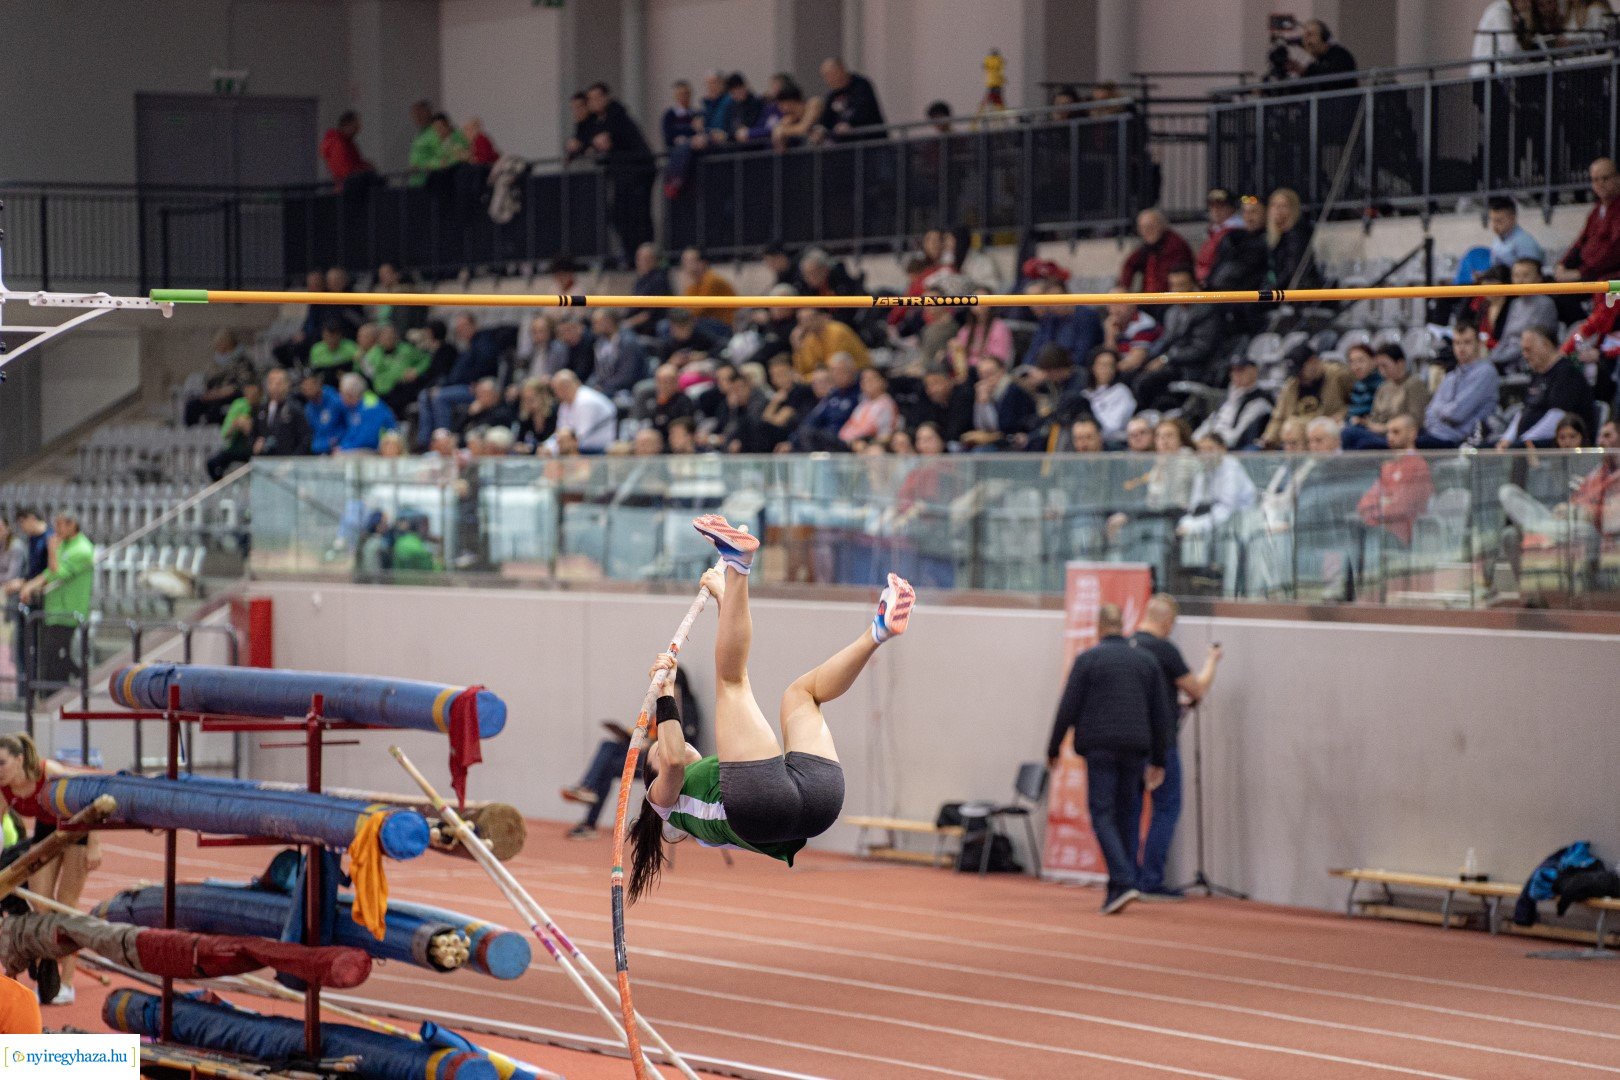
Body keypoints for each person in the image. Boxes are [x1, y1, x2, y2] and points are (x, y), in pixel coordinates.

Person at [626, 517, 914, 901]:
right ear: (653, 773)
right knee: (732, 682)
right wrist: (666, 692)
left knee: (802, 695)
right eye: (656, 748)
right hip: (763, 806)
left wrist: (724, 599)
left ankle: (876, 632)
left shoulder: (706, 790)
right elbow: (675, 757)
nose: (669, 745)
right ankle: (739, 564)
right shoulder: (663, 803)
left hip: (815, 805)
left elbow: (679, 751)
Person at [1045, 604, 1173, 915]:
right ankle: (1118, 888)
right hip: (1136, 748)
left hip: (1100, 748)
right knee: (1128, 815)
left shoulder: (1089, 660)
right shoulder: (1146, 661)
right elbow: (1161, 714)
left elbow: (1068, 707)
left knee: (1102, 814)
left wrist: (1053, 748)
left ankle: (1123, 879)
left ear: (1099, 627)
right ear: (1123, 625)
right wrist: (1159, 759)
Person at [1131, 595, 1222, 898]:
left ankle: (1127, 876)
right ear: (1168, 622)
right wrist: (1212, 661)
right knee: (1166, 808)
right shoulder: (1164, 650)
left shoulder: (1129, 646)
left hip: (1131, 741)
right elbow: (1196, 687)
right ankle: (1151, 879)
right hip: (1161, 741)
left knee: (1129, 809)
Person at [0, 732, 100, 1004]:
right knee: (41, 905)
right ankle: (49, 974)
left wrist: (94, 845)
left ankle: (67, 983)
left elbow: (89, 799)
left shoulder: (49, 772)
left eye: (2, 763)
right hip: (47, 831)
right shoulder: (4, 788)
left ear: (20, 759)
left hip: (76, 829)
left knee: (67, 904)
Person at [17, 513, 93, 689]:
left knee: (59, 659)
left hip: (68, 612)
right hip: (53, 610)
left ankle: (80, 683)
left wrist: (51, 548)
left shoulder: (82, 549)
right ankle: (53, 696)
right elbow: (48, 574)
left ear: (72, 524)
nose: (55, 531)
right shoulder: (64, 545)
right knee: (49, 660)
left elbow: (56, 571)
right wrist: (29, 586)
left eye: (59, 525)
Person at [1499, 327, 1596, 448]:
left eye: (1528, 350)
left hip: (1555, 444)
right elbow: (1524, 412)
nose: (1525, 355)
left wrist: (1524, 441)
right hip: (1528, 442)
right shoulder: (1538, 374)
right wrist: (1506, 439)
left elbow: (1557, 418)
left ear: (1546, 345)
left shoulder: (1566, 373)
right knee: (1483, 449)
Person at [1422, 318, 1501, 448]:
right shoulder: (1451, 376)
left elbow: (1457, 414)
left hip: (1464, 440)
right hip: (1435, 435)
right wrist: (1443, 412)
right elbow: (1429, 413)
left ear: (1479, 343)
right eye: (1457, 343)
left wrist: (1440, 411)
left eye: (1467, 342)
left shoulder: (1486, 372)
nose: (1461, 348)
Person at [1260, 346, 1353, 447]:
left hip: (1325, 428)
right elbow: (1278, 417)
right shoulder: (1291, 384)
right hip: (1296, 433)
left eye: (1300, 369)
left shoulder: (1338, 375)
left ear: (1313, 361)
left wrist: (1343, 414)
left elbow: (1356, 401)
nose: (1298, 375)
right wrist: (1268, 440)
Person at [1342, 345, 1431, 450]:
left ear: (1400, 363)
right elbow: (1374, 416)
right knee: (1349, 431)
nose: (1381, 371)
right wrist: (1367, 423)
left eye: (1385, 366)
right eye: (1379, 367)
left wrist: (1384, 428)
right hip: (1376, 430)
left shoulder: (1414, 384)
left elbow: (1416, 420)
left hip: (1397, 434)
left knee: (1351, 435)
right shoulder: (1384, 386)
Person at [1556, 158, 1620, 282]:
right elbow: (1580, 242)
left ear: (1617, 178)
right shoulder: (1597, 210)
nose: (1600, 184)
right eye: (1595, 180)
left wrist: (1580, 273)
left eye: (1605, 178)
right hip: (1586, 271)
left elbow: (1614, 252)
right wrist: (1562, 264)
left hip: (1604, 276)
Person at [1194, 356, 1272, 450]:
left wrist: (1211, 442)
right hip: (1210, 442)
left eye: (1241, 370)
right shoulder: (1228, 396)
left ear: (1254, 371)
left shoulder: (1259, 401)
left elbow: (1237, 437)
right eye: (1233, 370)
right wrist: (1195, 440)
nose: (1236, 374)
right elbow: (1211, 421)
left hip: (1232, 449)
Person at [1117, 209, 1194, 294]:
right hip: (1149, 299)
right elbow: (1130, 264)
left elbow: (1178, 280)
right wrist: (1122, 286)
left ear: (1161, 225)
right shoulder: (1147, 247)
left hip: (1169, 298)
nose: (1146, 231)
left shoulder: (1175, 245)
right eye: (1142, 228)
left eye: (1150, 226)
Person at [548, 370, 618, 453]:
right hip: (582, 446)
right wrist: (547, 447)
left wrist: (553, 449)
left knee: (568, 445)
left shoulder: (586, 400)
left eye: (556, 389)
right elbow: (560, 432)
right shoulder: (565, 404)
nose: (555, 394)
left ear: (565, 387)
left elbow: (580, 436)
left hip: (598, 448)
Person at [1266, 188, 1321, 289]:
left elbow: (1291, 270)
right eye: (1274, 205)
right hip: (1283, 290)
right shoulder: (1274, 237)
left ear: (1293, 209)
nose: (1278, 210)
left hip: (1300, 293)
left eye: (1283, 206)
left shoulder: (1298, 235)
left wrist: (1271, 292)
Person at [1195, 189, 1244, 285]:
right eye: (1212, 206)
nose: (1215, 210)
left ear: (1232, 208)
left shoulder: (1236, 233)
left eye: (1221, 206)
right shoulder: (1214, 231)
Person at [1487, 196, 1546, 269]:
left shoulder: (1524, 242)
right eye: (1492, 220)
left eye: (1499, 221)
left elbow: (1528, 274)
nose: (1494, 225)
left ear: (1512, 218)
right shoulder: (1497, 240)